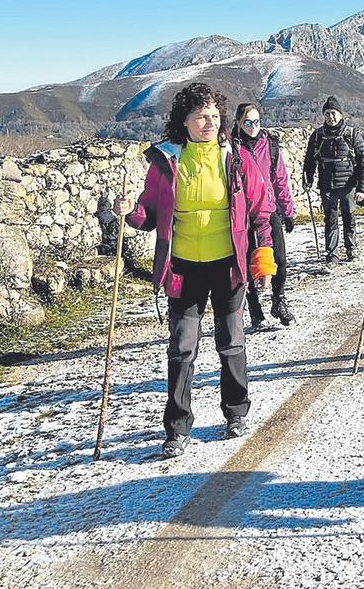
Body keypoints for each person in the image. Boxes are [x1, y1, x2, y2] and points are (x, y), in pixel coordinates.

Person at [114, 82, 277, 459]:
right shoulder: (167, 162)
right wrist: (130, 212)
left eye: (214, 115)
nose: (209, 121)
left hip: (227, 266)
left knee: (231, 342)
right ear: (184, 121)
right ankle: (176, 428)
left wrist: (262, 259)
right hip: (183, 269)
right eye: (200, 115)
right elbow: (149, 214)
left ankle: (235, 413)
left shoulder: (234, 157)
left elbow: (261, 211)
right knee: (182, 348)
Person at [233, 102, 297, 329]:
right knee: (248, 263)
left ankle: (278, 301)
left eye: (256, 122)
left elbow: (280, 179)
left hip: (270, 211)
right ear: (239, 123)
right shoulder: (232, 149)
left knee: (279, 260)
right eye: (248, 122)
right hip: (243, 215)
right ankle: (255, 311)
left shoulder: (270, 145)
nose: (253, 127)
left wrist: (287, 211)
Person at [302, 96, 364, 270]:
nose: (330, 117)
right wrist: (307, 179)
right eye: (327, 113)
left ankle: (351, 248)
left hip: (348, 185)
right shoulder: (318, 136)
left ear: (340, 114)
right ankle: (332, 254)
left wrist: (362, 187)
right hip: (327, 185)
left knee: (349, 217)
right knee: (330, 220)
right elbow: (309, 160)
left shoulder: (352, 134)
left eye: (334, 113)